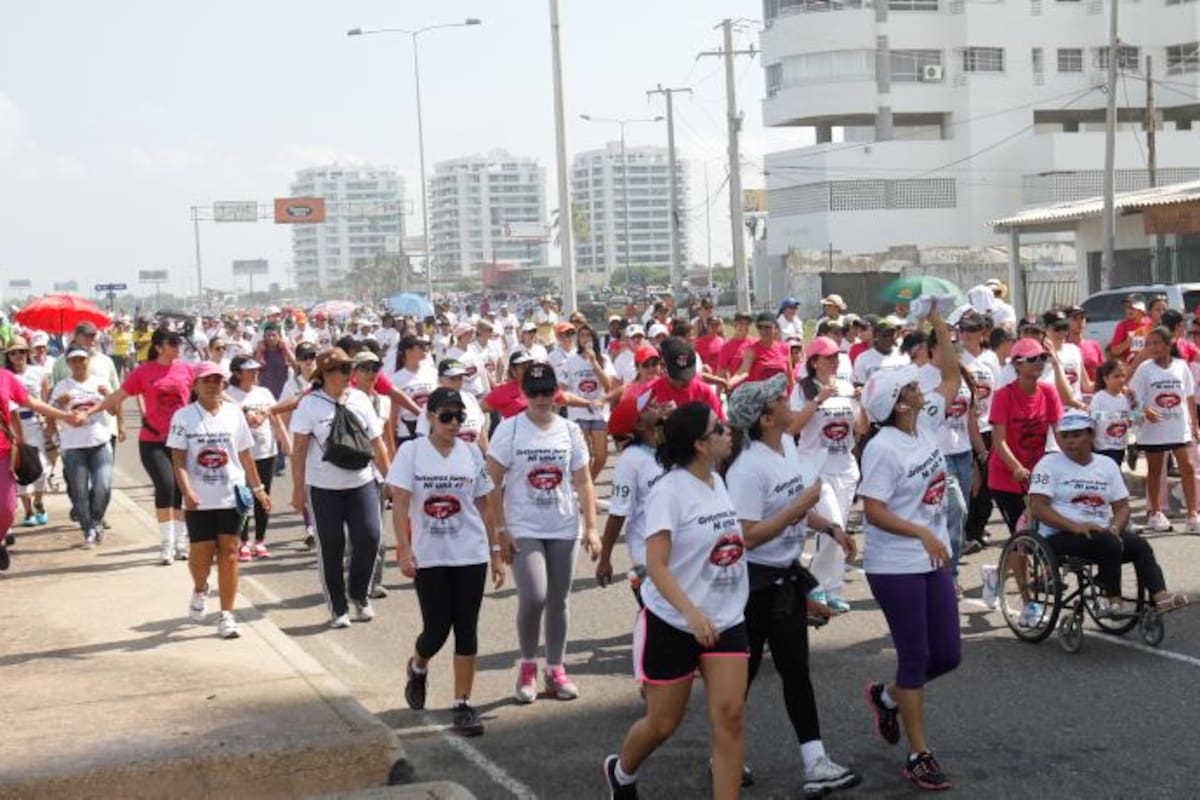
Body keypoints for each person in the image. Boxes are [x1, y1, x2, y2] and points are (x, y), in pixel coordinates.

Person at [724, 377, 862, 797]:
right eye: (781, 399)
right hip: (753, 587)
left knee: (795, 671)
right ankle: (722, 755)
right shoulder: (747, 469)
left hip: (784, 578)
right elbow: (747, 536)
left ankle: (815, 762)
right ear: (766, 419)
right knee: (740, 679)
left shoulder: (785, 445)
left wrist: (831, 527)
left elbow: (794, 509)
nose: (790, 402)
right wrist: (800, 507)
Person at [603, 402, 746, 800]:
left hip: (726, 618)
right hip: (673, 620)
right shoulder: (667, 492)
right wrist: (692, 614)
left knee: (731, 717)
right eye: (719, 428)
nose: (728, 431)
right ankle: (622, 772)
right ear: (701, 444)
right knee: (663, 723)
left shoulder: (718, 482)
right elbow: (657, 566)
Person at [859, 360, 961, 792]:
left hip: (932, 557)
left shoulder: (925, 423)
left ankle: (886, 697)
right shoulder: (882, 448)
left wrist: (938, 327)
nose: (922, 389)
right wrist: (921, 532)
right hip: (895, 565)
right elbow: (874, 510)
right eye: (913, 387)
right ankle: (919, 754)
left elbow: (952, 376)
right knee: (915, 656)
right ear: (900, 404)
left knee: (948, 654)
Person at [390, 388, 505, 737]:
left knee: (467, 628)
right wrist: (404, 549)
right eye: (446, 416)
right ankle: (418, 666)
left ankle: (463, 704)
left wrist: (495, 551)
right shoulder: (411, 452)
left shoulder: (471, 452)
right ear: (430, 416)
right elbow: (400, 503)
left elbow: (485, 504)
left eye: (459, 417)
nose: (454, 423)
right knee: (436, 630)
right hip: (430, 555)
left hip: (470, 552)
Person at [487, 363, 599, 703]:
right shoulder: (509, 430)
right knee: (534, 596)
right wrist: (500, 530)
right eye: (533, 392)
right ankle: (527, 666)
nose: (540, 398)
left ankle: (555, 668)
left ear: (556, 393)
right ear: (522, 394)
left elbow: (583, 480)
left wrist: (592, 527)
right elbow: (492, 482)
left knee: (559, 599)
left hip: (563, 524)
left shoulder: (570, 430)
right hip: (523, 525)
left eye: (546, 392)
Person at [1029, 409, 1188, 616]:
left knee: (1139, 546)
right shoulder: (1048, 464)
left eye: (1077, 435)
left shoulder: (1107, 465)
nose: (1070, 441)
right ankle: (1114, 602)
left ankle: (1161, 597)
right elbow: (1038, 507)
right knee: (1108, 543)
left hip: (1101, 533)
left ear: (1091, 435)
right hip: (1060, 535)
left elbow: (1122, 506)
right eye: (1065, 436)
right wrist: (1076, 527)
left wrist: (1115, 528)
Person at [289, 348, 392, 628]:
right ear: (325, 374)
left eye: (350, 369)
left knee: (370, 538)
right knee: (331, 548)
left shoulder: (360, 399)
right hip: (324, 488)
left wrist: (391, 480)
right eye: (342, 370)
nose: (349, 374)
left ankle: (359, 594)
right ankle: (338, 607)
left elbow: (377, 442)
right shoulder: (310, 405)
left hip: (362, 482)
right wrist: (298, 489)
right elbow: (299, 450)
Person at [168, 361, 268, 640]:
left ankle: (226, 615)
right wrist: (187, 490)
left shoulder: (234, 414)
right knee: (200, 557)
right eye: (206, 380)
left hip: (230, 496)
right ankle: (201, 587)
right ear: (195, 385)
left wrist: (258, 488)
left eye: (217, 380)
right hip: (199, 499)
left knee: (230, 553)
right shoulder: (183, 417)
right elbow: (178, 459)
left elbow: (245, 454)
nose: (212, 385)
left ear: (223, 384)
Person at [90, 327, 195, 564]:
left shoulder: (187, 369)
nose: (177, 347)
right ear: (158, 347)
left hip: (181, 441)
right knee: (166, 486)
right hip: (153, 440)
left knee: (180, 490)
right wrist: (91, 411)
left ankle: (181, 541)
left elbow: (211, 392)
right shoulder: (143, 372)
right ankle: (167, 544)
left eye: (178, 342)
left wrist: (239, 407)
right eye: (172, 343)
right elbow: (118, 395)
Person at [789, 335, 865, 612]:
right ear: (814, 361)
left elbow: (862, 428)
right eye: (828, 357)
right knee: (833, 527)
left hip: (845, 467)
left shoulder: (846, 386)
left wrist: (862, 402)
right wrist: (817, 400)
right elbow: (793, 428)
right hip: (816, 468)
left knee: (839, 529)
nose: (834, 361)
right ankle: (815, 586)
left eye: (836, 356)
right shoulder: (802, 389)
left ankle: (832, 588)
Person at [987, 338, 1064, 535]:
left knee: (1046, 531)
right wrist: (1017, 468)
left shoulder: (1049, 392)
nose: (1039, 363)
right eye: (1032, 359)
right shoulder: (1003, 396)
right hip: (1006, 475)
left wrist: (1073, 459)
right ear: (1017, 364)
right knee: (1021, 534)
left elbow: (1060, 433)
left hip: (1037, 475)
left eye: (1042, 358)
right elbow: (999, 441)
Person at [1129, 326, 1199, 532]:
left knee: (1187, 467)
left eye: (1156, 343)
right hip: (1154, 429)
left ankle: (1192, 514)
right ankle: (1156, 513)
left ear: (1168, 345)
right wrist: (1145, 411)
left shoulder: (1181, 366)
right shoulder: (1144, 369)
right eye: (1148, 344)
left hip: (1179, 426)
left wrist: (1194, 424)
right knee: (1155, 471)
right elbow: (1132, 397)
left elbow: (1189, 396)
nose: (1152, 347)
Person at [52, 348, 117, 548]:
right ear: (68, 364)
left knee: (103, 486)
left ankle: (96, 520)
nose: (78, 364)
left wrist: (108, 395)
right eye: (74, 361)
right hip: (73, 445)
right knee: (79, 490)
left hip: (100, 441)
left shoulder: (100, 382)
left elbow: (113, 410)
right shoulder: (62, 386)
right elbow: (50, 412)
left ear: (88, 361)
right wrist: (59, 402)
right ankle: (88, 529)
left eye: (82, 360)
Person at [227, 356, 286, 560]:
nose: (255, 373)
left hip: (265, 451)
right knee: (243, 497)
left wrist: (284, 439)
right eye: (250, 370)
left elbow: (275, 417)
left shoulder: (264, 392)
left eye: (256, 370)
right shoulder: (229, 394)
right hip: (241, 454)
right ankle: (243, 541)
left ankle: (260, 540)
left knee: (263, 496)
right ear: (237, 373)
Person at [958, 310, 1000, 553]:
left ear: (982, 332)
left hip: (988, 426)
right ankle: (965, 532)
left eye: (972, 330)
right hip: (965, 428)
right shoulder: (956, 357)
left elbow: (997, 391)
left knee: (986, 486)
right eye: (963, 329)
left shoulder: (990, 358)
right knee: (970, 483)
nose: (967, 334)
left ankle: (976, 529)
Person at [3, 337, 51, 527]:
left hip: (34, 423)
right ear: (8, 356)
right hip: (12, 426)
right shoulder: (5, 375)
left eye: (21, 351)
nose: (18, 356)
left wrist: (49, 421)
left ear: (27, 353)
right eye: (13, 353)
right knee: (19, 468)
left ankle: (38, 501)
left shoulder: (38, 373)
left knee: (42, 468)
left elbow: (45, 401)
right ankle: (28, 511)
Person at [558, 324, 616, 480]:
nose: (585, 339)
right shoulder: (570, 361)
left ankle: (586, 484)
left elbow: (609, 386)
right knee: (584, 457)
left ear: (594, 338)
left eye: (588, 335)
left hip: (599, 413)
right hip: (578, 413)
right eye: (582, 336)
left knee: (601, 457)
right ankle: (584, 487)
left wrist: (594, 363)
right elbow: (561, 389)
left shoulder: (604, 359)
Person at [391, 335, 439, 446]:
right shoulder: (396, 379)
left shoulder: (432, 373)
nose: (424, 350)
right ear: (408, 352)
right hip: (407, 431)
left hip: (431, 428)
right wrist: (392, 439)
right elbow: (393, 411)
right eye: (420, 347)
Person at [1090, 359, 1135, 468]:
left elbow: (1132, 418)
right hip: (1103, 447)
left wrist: (1138, 410)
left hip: (1120, 446)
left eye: (1123, 376)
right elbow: (1094, 416)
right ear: (1106, 379)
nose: (1121, 380)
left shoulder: (1126, 398)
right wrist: (1117, 415)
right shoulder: (1099, 398)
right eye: (1116, 376)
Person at [732, 312, 790, 387]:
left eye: (767, 327)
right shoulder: (752, 350)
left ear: (776, 329)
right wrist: (729, 383)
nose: (763, 331)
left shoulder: (785, 348)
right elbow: (743, 371)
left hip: (781, 394)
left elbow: (789, 377)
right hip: (760, 394)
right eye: (760, 327)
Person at [852, 317, 907, 386]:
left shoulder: (903, 356)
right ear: (875, 336)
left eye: (891, 334)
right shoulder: (863, 358)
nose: (888, 338)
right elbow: (859, 385)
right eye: (884, 335)